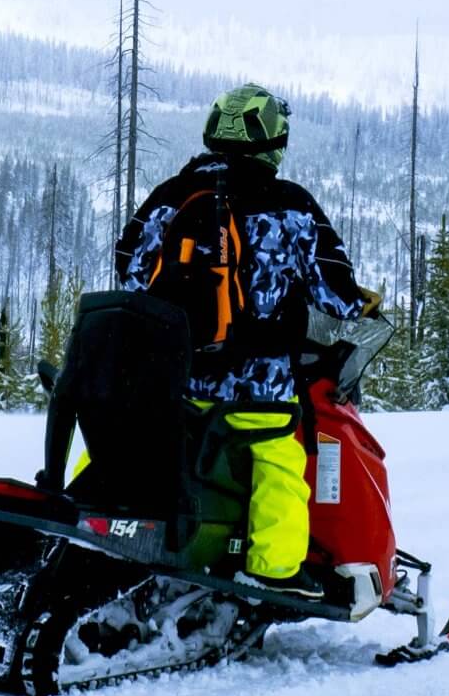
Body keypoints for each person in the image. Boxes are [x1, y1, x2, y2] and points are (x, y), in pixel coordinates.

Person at [114, 83, 380, 600]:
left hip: (177, 378)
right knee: (280, 459)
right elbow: (335, 290)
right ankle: (274, 572)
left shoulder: (171, 195)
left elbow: (127, 266)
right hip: (259, 383)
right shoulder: (291, 206)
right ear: (272, 140)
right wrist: (364, 303)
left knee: (142, 449)